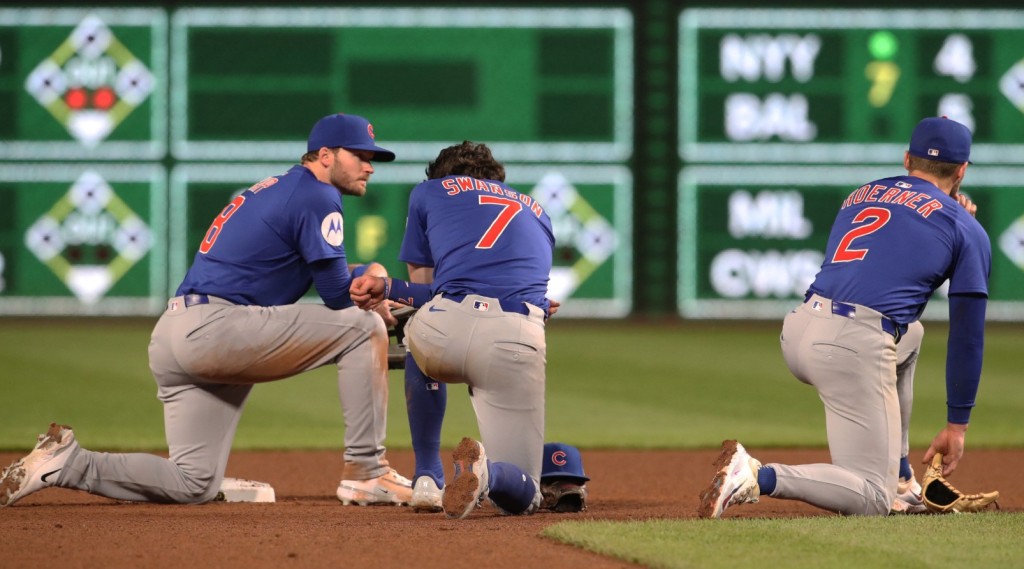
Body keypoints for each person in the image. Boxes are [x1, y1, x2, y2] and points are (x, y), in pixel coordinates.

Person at [0, 113, 414, 508]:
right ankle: (368, 472)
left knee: (192, 482)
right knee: (361, 327)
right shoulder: (317, 193)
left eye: (372, 158)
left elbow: (329, 276)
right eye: (360, 155)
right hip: (218, 329)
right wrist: (376, 294)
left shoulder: (283, 189)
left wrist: (365, 276)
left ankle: (67, 463)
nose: (370, 166)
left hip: (176, 335)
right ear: (326, 155)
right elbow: (339, 298)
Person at [698, 116, 992, 518]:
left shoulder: (861, 194)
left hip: (800, 328)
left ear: (908, 159)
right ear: (962, 170)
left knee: (911, 334)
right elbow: (968, 336)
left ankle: (904, 481)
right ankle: (756, 475)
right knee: (872, 497)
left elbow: (895, 245)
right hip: (849, 347)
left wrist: (951, 219)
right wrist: (957, 426)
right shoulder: (964, 227)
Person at [350, 141, 557, 518]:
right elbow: (530, 290)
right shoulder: (538, 211)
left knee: (416, 325)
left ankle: (427, 476)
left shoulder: (429, 191)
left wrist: (390, 289)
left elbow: (426, 291)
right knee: (524, 498)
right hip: (517, 334)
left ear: (442, 175)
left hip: (444, 328)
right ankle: (489, 474)